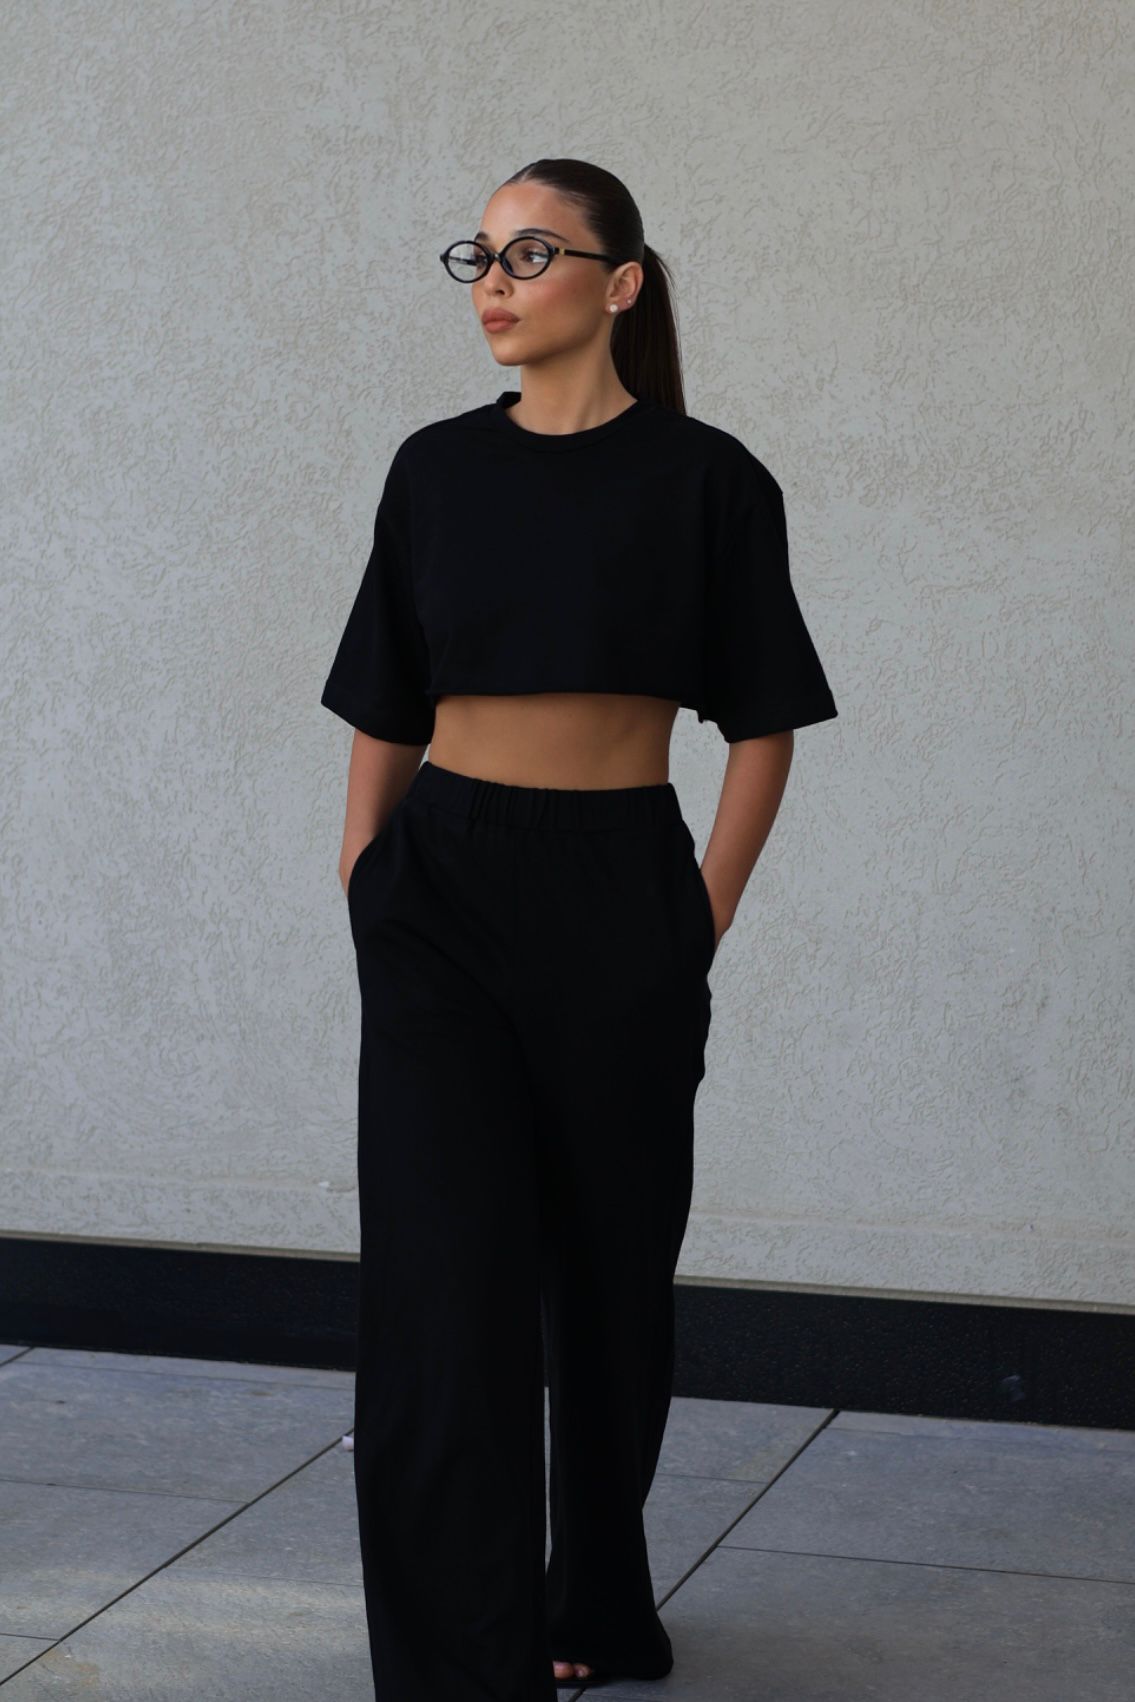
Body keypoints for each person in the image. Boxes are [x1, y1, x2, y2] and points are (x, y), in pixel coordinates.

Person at [320, 156, 838, 1702]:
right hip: (442, 894)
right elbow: (386, 697)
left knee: (611, 1287)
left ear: (620, 284)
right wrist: (364, 871)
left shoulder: (708, 481)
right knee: (441, 1289)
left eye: (532, 252)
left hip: (623, 895)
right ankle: (459, 1666)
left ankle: (596, 1602)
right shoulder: (433, 470)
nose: (494, 279)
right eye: (480, 253)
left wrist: (698, 917)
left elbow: (764, 722)